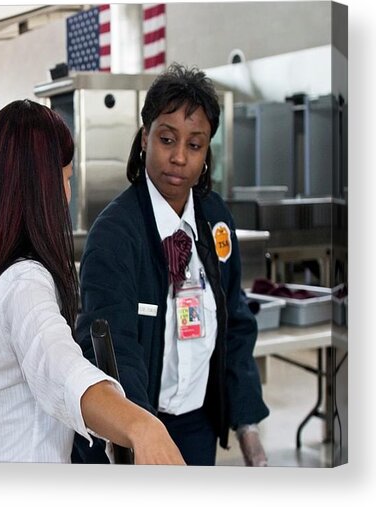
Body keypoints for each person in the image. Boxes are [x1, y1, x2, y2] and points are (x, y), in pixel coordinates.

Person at [0, 99, 185, 464]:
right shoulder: (25, 283)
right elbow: (64, 372)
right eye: (66, 179)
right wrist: (143, 426)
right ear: (43, 188)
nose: (67, 192)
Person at [71, 63, 269, 466]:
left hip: (197, 427)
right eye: (166, 139)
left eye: (194, 145)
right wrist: (142, 436)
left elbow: (235, 322)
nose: (179, 157)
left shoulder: (215, 220)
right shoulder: (116, 234)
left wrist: (248, 428)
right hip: (129, 432)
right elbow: (112, 350)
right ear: (145, 138)